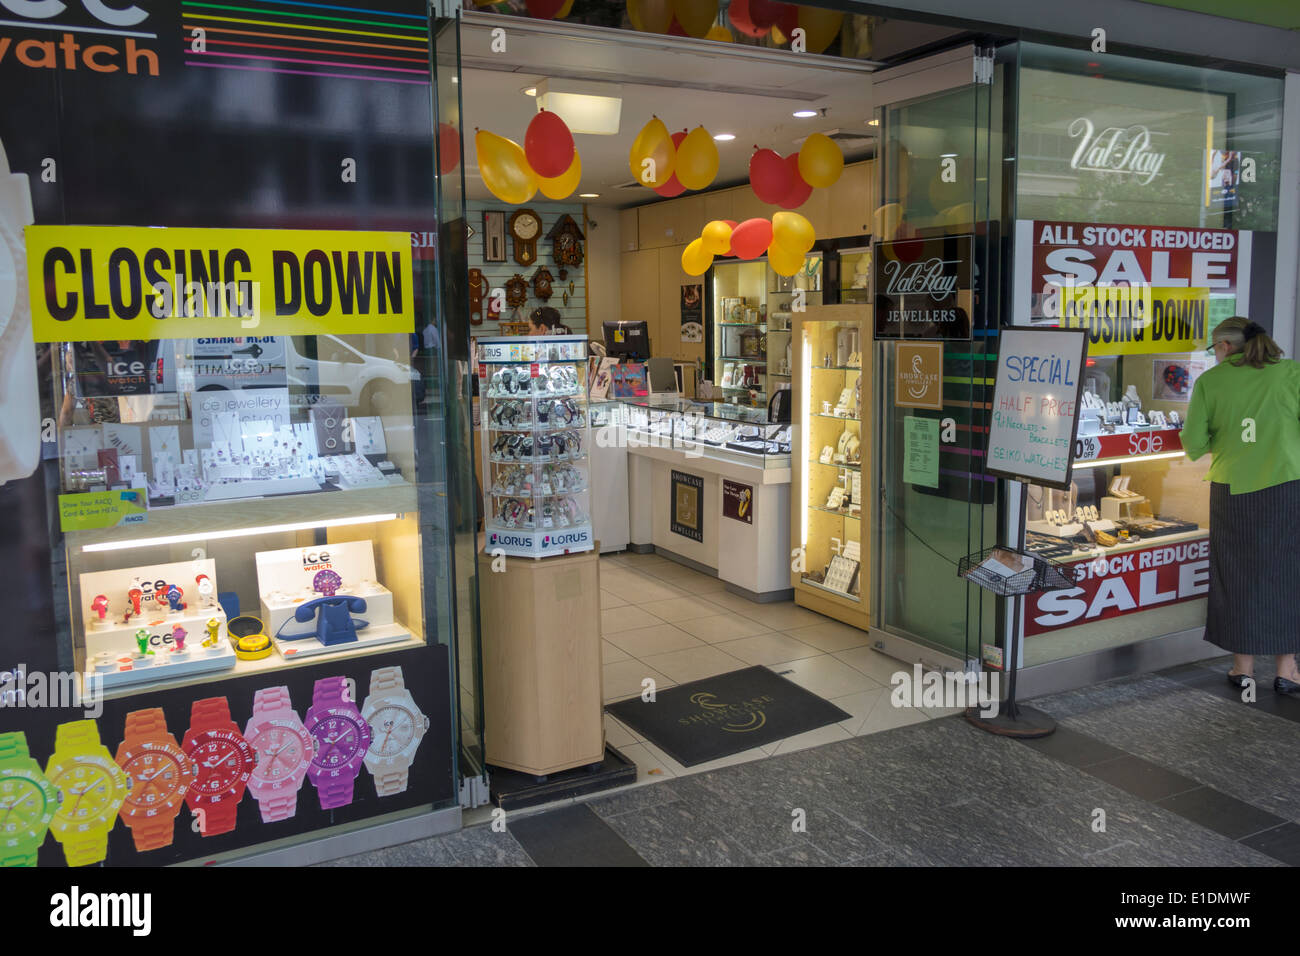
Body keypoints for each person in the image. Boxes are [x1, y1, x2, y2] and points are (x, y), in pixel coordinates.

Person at [1182, 316, 1300, 697]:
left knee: (1237, 576)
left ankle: (1243, 668)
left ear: (1224, 346)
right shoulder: (1291, 374)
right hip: (1288, 485)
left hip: (1234, 490)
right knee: (1289, 574)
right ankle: (1288, 670)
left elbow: (1194, 443)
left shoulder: (1210, 382)